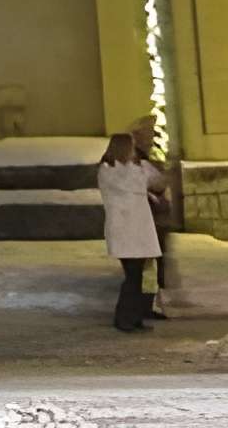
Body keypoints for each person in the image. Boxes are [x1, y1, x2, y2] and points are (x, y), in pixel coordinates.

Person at [98, 130, 161, 331]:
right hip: (127, 232)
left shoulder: (125, 170)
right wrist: (141, 167)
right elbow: (141, 183)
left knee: (136, 276)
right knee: (132, 277)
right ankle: (124, 318)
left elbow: (154, 180)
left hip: (134, 232)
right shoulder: (112, 172)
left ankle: (133, 317)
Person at [132, 117, 177, 315]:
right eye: (147, 134)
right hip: (149, 222)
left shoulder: (142, 160)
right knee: (149, 268)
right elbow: (154, 182)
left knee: (152, 266)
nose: (150, 138)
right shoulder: (139, 163)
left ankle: (150, 303)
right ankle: (147, 305)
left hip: (153, 221)